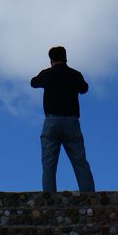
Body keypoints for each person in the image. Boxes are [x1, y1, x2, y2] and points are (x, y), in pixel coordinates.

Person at [30, 46, 95, 193]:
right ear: (65, 57)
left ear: (51, 59)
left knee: (48, 164)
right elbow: (84, 88)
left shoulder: (47, 74)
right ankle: (89, 195)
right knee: (80, 162)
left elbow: (33, 82)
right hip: (71, 121)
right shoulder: (74, 74)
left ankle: (49, 197)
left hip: (52, 121)